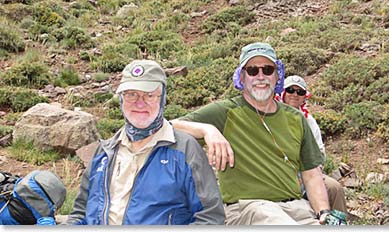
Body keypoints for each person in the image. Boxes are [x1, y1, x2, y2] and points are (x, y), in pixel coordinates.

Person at [171, 42, 331, 225]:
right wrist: (208, 129)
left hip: (296, 209)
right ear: (242, 76)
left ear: (277, 75)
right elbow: (170, 126)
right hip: (247, 209)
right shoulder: (225, 112)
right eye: (253, 71)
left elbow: (311, 173)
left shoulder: (296, 118)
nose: (260, 77)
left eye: (268, 70)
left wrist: (323, 212)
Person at [67, 60, 225, 225]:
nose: (140, 103)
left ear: (162, 98)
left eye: (149, 95)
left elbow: (211, 217)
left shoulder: (185, 150)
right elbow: (80, 213)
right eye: (131, 94)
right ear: (121, 99)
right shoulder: (104, 152)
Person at [280, 75, 347, 213]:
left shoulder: (309, 121)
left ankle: (337, 222)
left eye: (300, 92)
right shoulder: (270, 115)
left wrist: (310, 173)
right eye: (290, 90)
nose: (294, 94)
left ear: (305, 97)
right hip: (278, 172)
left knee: (334, 188)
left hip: (306, 171)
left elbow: (319, 153)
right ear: (283, 92)